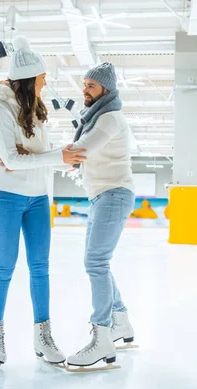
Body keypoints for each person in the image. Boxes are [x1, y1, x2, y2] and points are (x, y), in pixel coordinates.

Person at [0, 35, 87, 370]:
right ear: (29, 78)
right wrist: (48, 156)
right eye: (42, 76)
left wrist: (61, 159)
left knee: (40, 269)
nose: (46, 81)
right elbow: (10, 160)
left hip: (38, 199)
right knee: (5, 267)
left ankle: (43, 336)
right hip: (7, 197)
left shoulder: (37, 111)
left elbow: (35, 157)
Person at [65, 63, 136, 370]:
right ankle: (120, 323)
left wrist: (31, 158)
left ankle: (102, 338)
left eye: (91, 86)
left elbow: (80, 150)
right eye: (84, 84)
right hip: (102, 196)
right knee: (97, 262)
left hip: (112, 193)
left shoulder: (109, 118)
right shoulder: (97, 117)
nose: (85, 89)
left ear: (106, 90)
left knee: (95, 263)